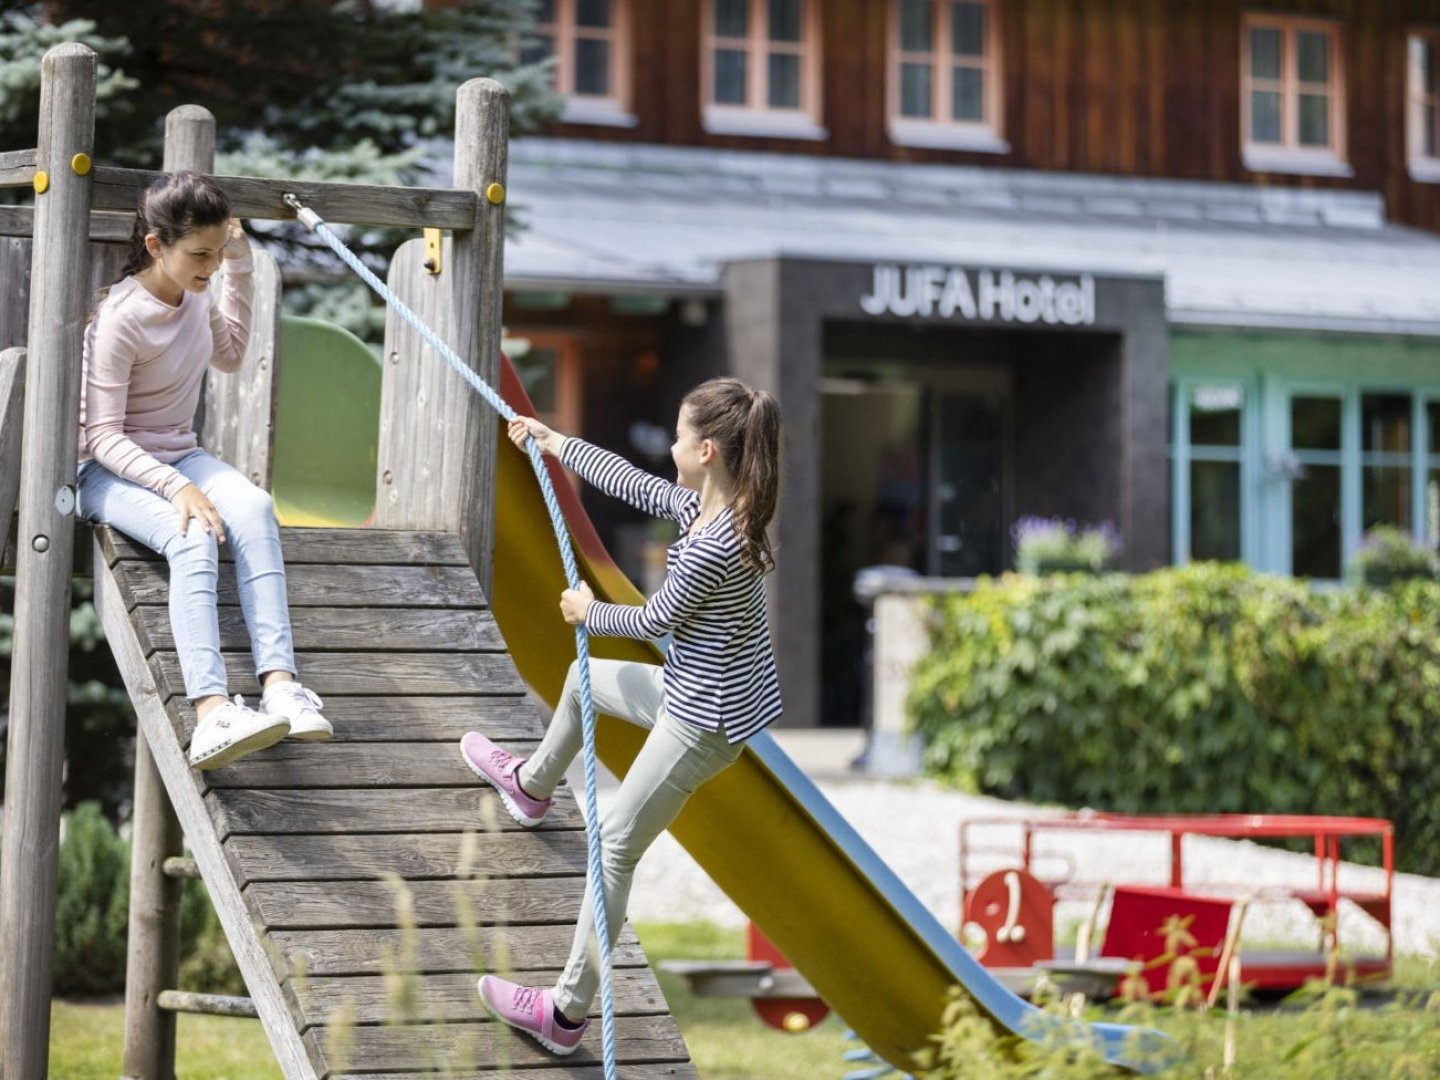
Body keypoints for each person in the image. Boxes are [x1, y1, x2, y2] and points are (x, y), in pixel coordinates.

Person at [460, 377, 783, 1056]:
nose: (668, 445)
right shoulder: (715, 507)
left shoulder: (713, 544)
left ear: (704, 451)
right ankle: (533, 786)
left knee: (613, 848)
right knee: (585, 681)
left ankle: (566, 1013)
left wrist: (587, 611)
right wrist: (555, 444)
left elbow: (656, 619)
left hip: (702, 725)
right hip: (693, 691)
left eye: (676, 434)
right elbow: (633, 483)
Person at [77, 171, 330, 771]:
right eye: (200, 254)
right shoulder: (120, 318)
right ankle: (213, 712)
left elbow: (231, 353)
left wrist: (238, 266)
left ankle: (279, 687)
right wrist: (177, 487)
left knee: (255, 506)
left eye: (217, 252)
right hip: (107, 471)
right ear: (156, 245)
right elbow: (101, 434)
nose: (210, 265)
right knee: (192, 535)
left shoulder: (195, 294)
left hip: (179, 454)